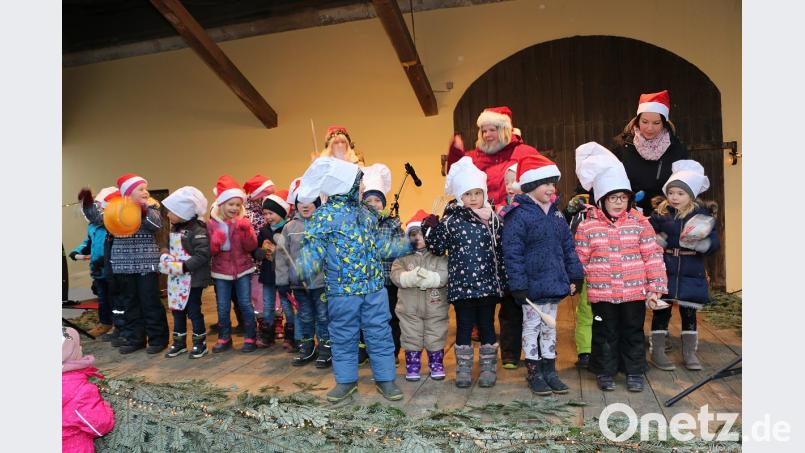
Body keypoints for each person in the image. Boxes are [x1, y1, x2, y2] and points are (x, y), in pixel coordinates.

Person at [296, 157, 411, 403]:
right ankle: (346, 381)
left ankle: (385, 379)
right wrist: (305, 267)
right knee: (343, 335)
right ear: (344, 185)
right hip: (343, 292)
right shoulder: (324, 217)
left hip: (374, 289)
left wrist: (407, 244)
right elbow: (312, 249)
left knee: (380, 333)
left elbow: (380, 245)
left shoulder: (366, 214)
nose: (361, 188)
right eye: (358, 184)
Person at [573, 143, 668, 392]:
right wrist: (572, 279)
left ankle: (634, 370)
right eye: (612, 198)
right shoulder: (587, 227)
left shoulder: (640, 224)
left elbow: (652, 255)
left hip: (633, 292)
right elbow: (580, 257)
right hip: (602, 294)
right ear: (601, 200)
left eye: (623, 198)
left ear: (629, 199)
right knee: (604, 330)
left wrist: (656, 285)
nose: (618, 203)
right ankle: (605, 370)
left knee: (632, 331)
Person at [501, 154, 584, 396]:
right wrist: (518, 285)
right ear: (530, 186)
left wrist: (574, 275)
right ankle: (534, 371)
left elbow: (568, 246)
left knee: (550, 327)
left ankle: (550, 369)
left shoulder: (557, 215)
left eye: (553, 183)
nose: (551, 188)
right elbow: (512, 253)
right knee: (532, 327)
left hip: (554, 282)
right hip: (531, 286)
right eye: (545, 183)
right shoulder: (518, 215)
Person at [422, 157, 506, 388]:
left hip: (488, 286)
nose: (473, 198)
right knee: (465, 327)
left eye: (477, 193)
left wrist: (504, 280)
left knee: (488, 326)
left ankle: (488, 368)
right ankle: (464, 369)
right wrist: (430, 228)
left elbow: (500, 250)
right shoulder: (451, 221)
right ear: (460, 196)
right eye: (467, 194)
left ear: (484, 194)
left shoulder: (494, 220)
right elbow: (437, 247)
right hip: (462, 288)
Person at [79, 173, 169, 354]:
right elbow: (98, 219)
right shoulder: (115, 208)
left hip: (146, 265)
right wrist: (88, 203)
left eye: (146, 188)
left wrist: (141, 210)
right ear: (127, 192)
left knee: (149, 302)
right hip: (122, 265)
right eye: (140, 189)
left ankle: (158, 339)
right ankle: (135, 338)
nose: (146, 192)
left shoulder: (151, 207)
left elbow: (155, 224)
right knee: (129, 304)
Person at [649, 160, 720, 371]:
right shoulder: (661, 214)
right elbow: (646, 234)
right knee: (661, 311)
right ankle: (658, 352)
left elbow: (714, 242)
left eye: (680, 193)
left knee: (689, 313)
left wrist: (702, 243)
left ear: (691, 196)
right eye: (671, 193)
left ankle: (690, 353)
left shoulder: (702, 216)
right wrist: (657, 240)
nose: (674, 197)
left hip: (692, 270)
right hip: (666, 269)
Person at [275, 177, 331, 367]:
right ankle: (307, 347)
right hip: (299, 284)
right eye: (301, 202)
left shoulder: (324, 226)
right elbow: (282, 256)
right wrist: (282, 281)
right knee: (305, 316)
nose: (305, 206)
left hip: (321, 283)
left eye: (310, 202)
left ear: (317, 203)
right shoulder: (289, 228)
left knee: (323, 316)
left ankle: (326, 348)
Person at [390, 209, 449, 381]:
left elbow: (445, 274)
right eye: (413, 235)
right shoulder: (403, 257)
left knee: (436, 333)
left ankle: (436, 362)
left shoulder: (439, 256)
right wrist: (409, 277)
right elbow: (395, 274)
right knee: (411, 335)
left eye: (422, 234)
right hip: (409, 308)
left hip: (435, 305)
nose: (418, 238)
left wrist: (432, 278)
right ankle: (413, 364)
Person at [612, 90, 689, 214]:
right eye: (645, 122)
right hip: (629, 217)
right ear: (637, 120)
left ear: (664, 123)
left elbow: (686, 184)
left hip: (666, 216)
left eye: (656, 123)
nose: (649, 128)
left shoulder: (676, 150)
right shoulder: (622, 148)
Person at [447, 106, 540, 206]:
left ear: (504, 131)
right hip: (483, 217)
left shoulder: (525, 153)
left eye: (492, 130)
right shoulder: (473, 157)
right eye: (484, 131)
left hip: (517, 215)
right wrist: (456, 153)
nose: (487, 135)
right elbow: (456, 181)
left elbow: (542, 184)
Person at [159, 187, 212, 359]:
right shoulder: (175, 228)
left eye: (171, 212)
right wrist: (165, 254)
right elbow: (166, 244)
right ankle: (179, 343)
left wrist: (184, 267)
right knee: (177, 311)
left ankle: (199, 343)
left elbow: (203, 255)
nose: (168, 215)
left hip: (192, 279)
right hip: (175, 280)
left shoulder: (198, 231)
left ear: (184, 212)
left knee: (193, 311)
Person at [208, 175, 258, 353]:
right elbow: (211, 252)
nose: (235, 208)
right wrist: (215, 242)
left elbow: (251, 247)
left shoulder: (244, 222)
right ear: (222, 205)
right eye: (231, 204)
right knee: (222, 306)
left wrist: (246, 232)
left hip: (243, 270)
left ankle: (251, 336)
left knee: (245, 304)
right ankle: (224, 337)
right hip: (221, 272)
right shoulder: (213, 224)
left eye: (238, 205)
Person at [362, 163, 405, 364]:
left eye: (377, 200)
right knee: (368, 318)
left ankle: (392, 351)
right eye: (368, 200)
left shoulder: (393, 224)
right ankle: (368, 351)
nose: (373, 204)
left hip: (387, 281)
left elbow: (402, 249)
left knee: (390, 317)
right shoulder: (358, 225)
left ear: (384, 203)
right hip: (365, 281)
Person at [69, 187, 118, 338]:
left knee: (115, 299)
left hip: (112, 269)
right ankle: (105, 323)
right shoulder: (92, 226)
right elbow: (88, 242)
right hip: (97, 270)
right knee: (103, 299)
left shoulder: (112, 225)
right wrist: (77, 251)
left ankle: (118, 326)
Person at [255, 192, 298, 351]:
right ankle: (268, 334)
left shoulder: (288, 229)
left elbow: (293, 253)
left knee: (287, 305)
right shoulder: (264, 231)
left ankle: (291, 334)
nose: (267, 216)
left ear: (280, 213)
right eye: (265, 213)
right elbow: (256, 250)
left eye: (271, 213)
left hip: (284, 277)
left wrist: (277, 251)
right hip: (267, 274)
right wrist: (260, 252)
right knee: (267, 305)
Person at [62, 327, 115, 452]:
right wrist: (106, 408)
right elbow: (99, 426)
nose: (81, 349)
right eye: (78, 346)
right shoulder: (80, 391)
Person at [242, 174, 277, 342]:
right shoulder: (247, 215)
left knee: (273, 294)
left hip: (272, 262)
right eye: (264, 195)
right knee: (258, 295)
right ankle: (263, 324)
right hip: (255, 263)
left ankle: (276, 322)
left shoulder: (270, 212)